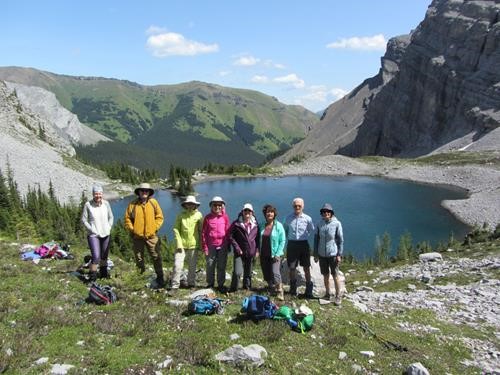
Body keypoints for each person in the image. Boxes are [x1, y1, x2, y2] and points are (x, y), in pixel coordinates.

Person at [124, 183, 165, 288]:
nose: (144, 192)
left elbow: (160, 217)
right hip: (137, 237)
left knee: (156, 257)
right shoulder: (132, 204)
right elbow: (127, 219)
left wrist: (154, 228)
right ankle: (141, 277)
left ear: (149, 192)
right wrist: (133, 230)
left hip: (152, 237)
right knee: (139, 258)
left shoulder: (153, 203)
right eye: (142, 190)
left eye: (146, 191)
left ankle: (160, 278)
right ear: (138, 192)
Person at [171, 195, 203, 294]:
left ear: (195, 205)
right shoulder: (181, 215)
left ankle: (191, 284)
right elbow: (176, 229)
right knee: (177, 265)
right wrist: (179, 243)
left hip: (194, 245)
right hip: (181, 245)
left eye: (192, 204)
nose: (190, 206)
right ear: (185, 205)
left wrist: (202, 244)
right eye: (188, 204)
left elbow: (201, 230)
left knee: (192, 267)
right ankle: (174, 286)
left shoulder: (199, 215)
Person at [81, 184, 114, 282]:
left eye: (99, 194)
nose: (98, 196)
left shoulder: (106, 203)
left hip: (105, 233)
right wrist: (91, 229)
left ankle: (103, 275)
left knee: (104, 256)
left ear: (102, 194)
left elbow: (111, 217)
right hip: (93, 235)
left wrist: (109, 226)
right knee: (96, 257)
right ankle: (92, 277)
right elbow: (84, 220)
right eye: (96, 194)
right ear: (93, 194)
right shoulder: (88, 205)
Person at [284, 197, 315, 298]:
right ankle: (293, 290)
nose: (297, 207)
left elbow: (311, 230)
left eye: (299, 206)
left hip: (303, 244)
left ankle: (309, 290)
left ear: (303, 206)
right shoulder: (288, 218)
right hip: (292, 244)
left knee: (306, 267)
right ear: (293, 206)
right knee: (292, 267)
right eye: (295, 206)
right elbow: (285, 230)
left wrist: (304, 237)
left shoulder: (308, 219)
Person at [313, 203, 344, 305]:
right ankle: (327, 293)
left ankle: (338, 296)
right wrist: (316, 253)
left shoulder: (337, 224)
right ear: (322, 213)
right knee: (325, 275)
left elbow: (340, 240)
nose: (326, 213)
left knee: (335, 275)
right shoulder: (319, 224)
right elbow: (316, 239)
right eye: (324, 212)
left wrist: (339, 254)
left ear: (331, 213)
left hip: (333, 254)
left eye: (328, 212)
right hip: (322, 255)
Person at [228, 203, 260, 292]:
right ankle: (233, 289)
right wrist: (237, 248)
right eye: (245, 210)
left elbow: (257, 239)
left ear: (252, 213)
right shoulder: (236, 223)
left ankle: (247, 287)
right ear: (242, 211)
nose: (247, 212)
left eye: (249, 211)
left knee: (248, 272)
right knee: (238, 271)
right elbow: (231, 236)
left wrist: (257, 250)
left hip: (251, 252)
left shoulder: (255, 225)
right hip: (239, 252)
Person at [201, 196, 230, 292]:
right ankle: (210, 284)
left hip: (223, 245)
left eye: (219, 205)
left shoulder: (225, 217)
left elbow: (228, 231)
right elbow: (204, 233)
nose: (217, 207)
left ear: (222, 206)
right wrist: (205, 247)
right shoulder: (207, 218)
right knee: (210, 265)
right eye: (215, 205)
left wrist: (228, 245)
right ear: (211, 206)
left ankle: (221, 285)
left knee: (221, 265)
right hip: (211, 246)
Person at [259, 204, 286, 300]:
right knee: (266, 271)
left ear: (274, 214)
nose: (269, 214)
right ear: (265, 214)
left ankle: (280, 290)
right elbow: (259, 239)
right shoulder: (262, 225)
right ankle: (270, 287)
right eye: (267, 212)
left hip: (275, 253)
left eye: (271, 212)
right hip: (264, 252)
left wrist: (278, 253)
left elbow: (282, 240)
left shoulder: (279, 226)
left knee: (275, 272)